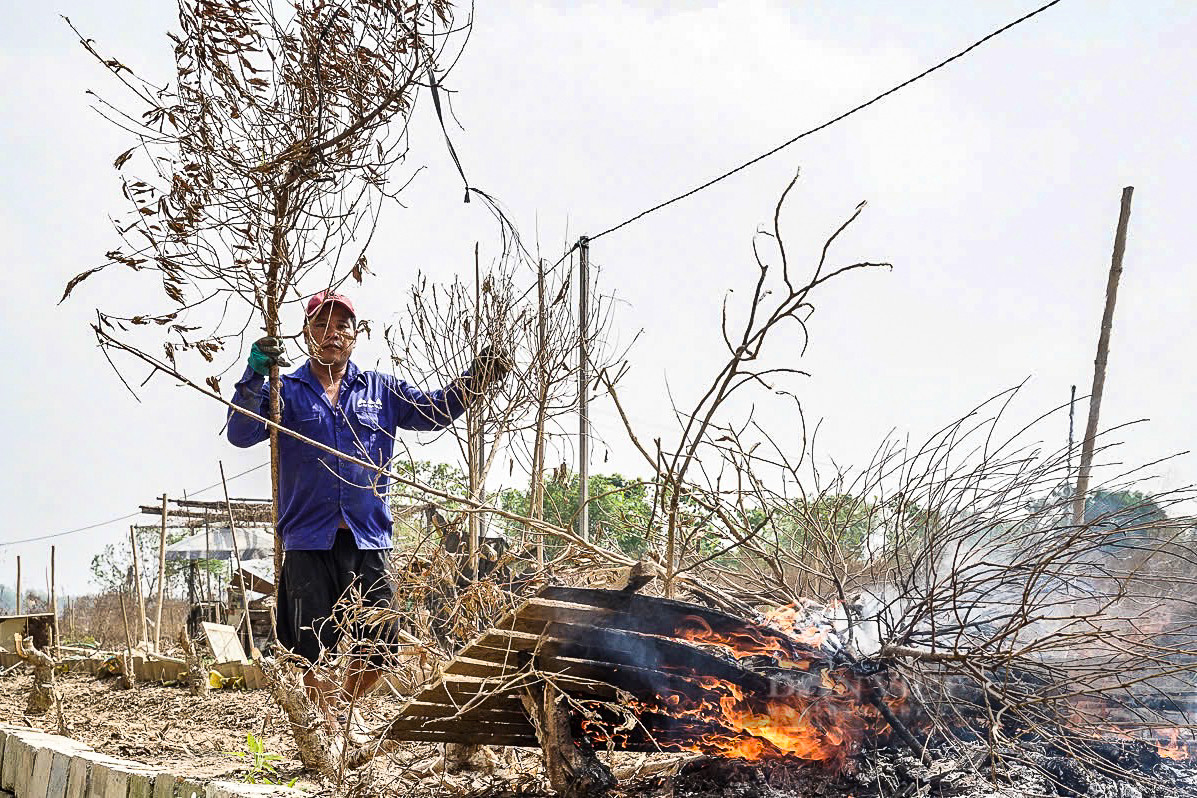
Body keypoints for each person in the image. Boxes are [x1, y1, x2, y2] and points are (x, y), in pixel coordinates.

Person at [226, 291, 507, 729]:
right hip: (307, 539)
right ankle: (327, 727)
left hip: (368, 537)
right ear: (306, 334)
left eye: (342, 326)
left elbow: (435, 411)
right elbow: (240, 434)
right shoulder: (287, 392)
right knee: (306, 650)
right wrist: (255, 375)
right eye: (321, 325)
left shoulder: (382, 390)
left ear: (355, 336)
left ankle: (340, 710)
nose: (332, 334)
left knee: (380, 646)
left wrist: (479, 377)